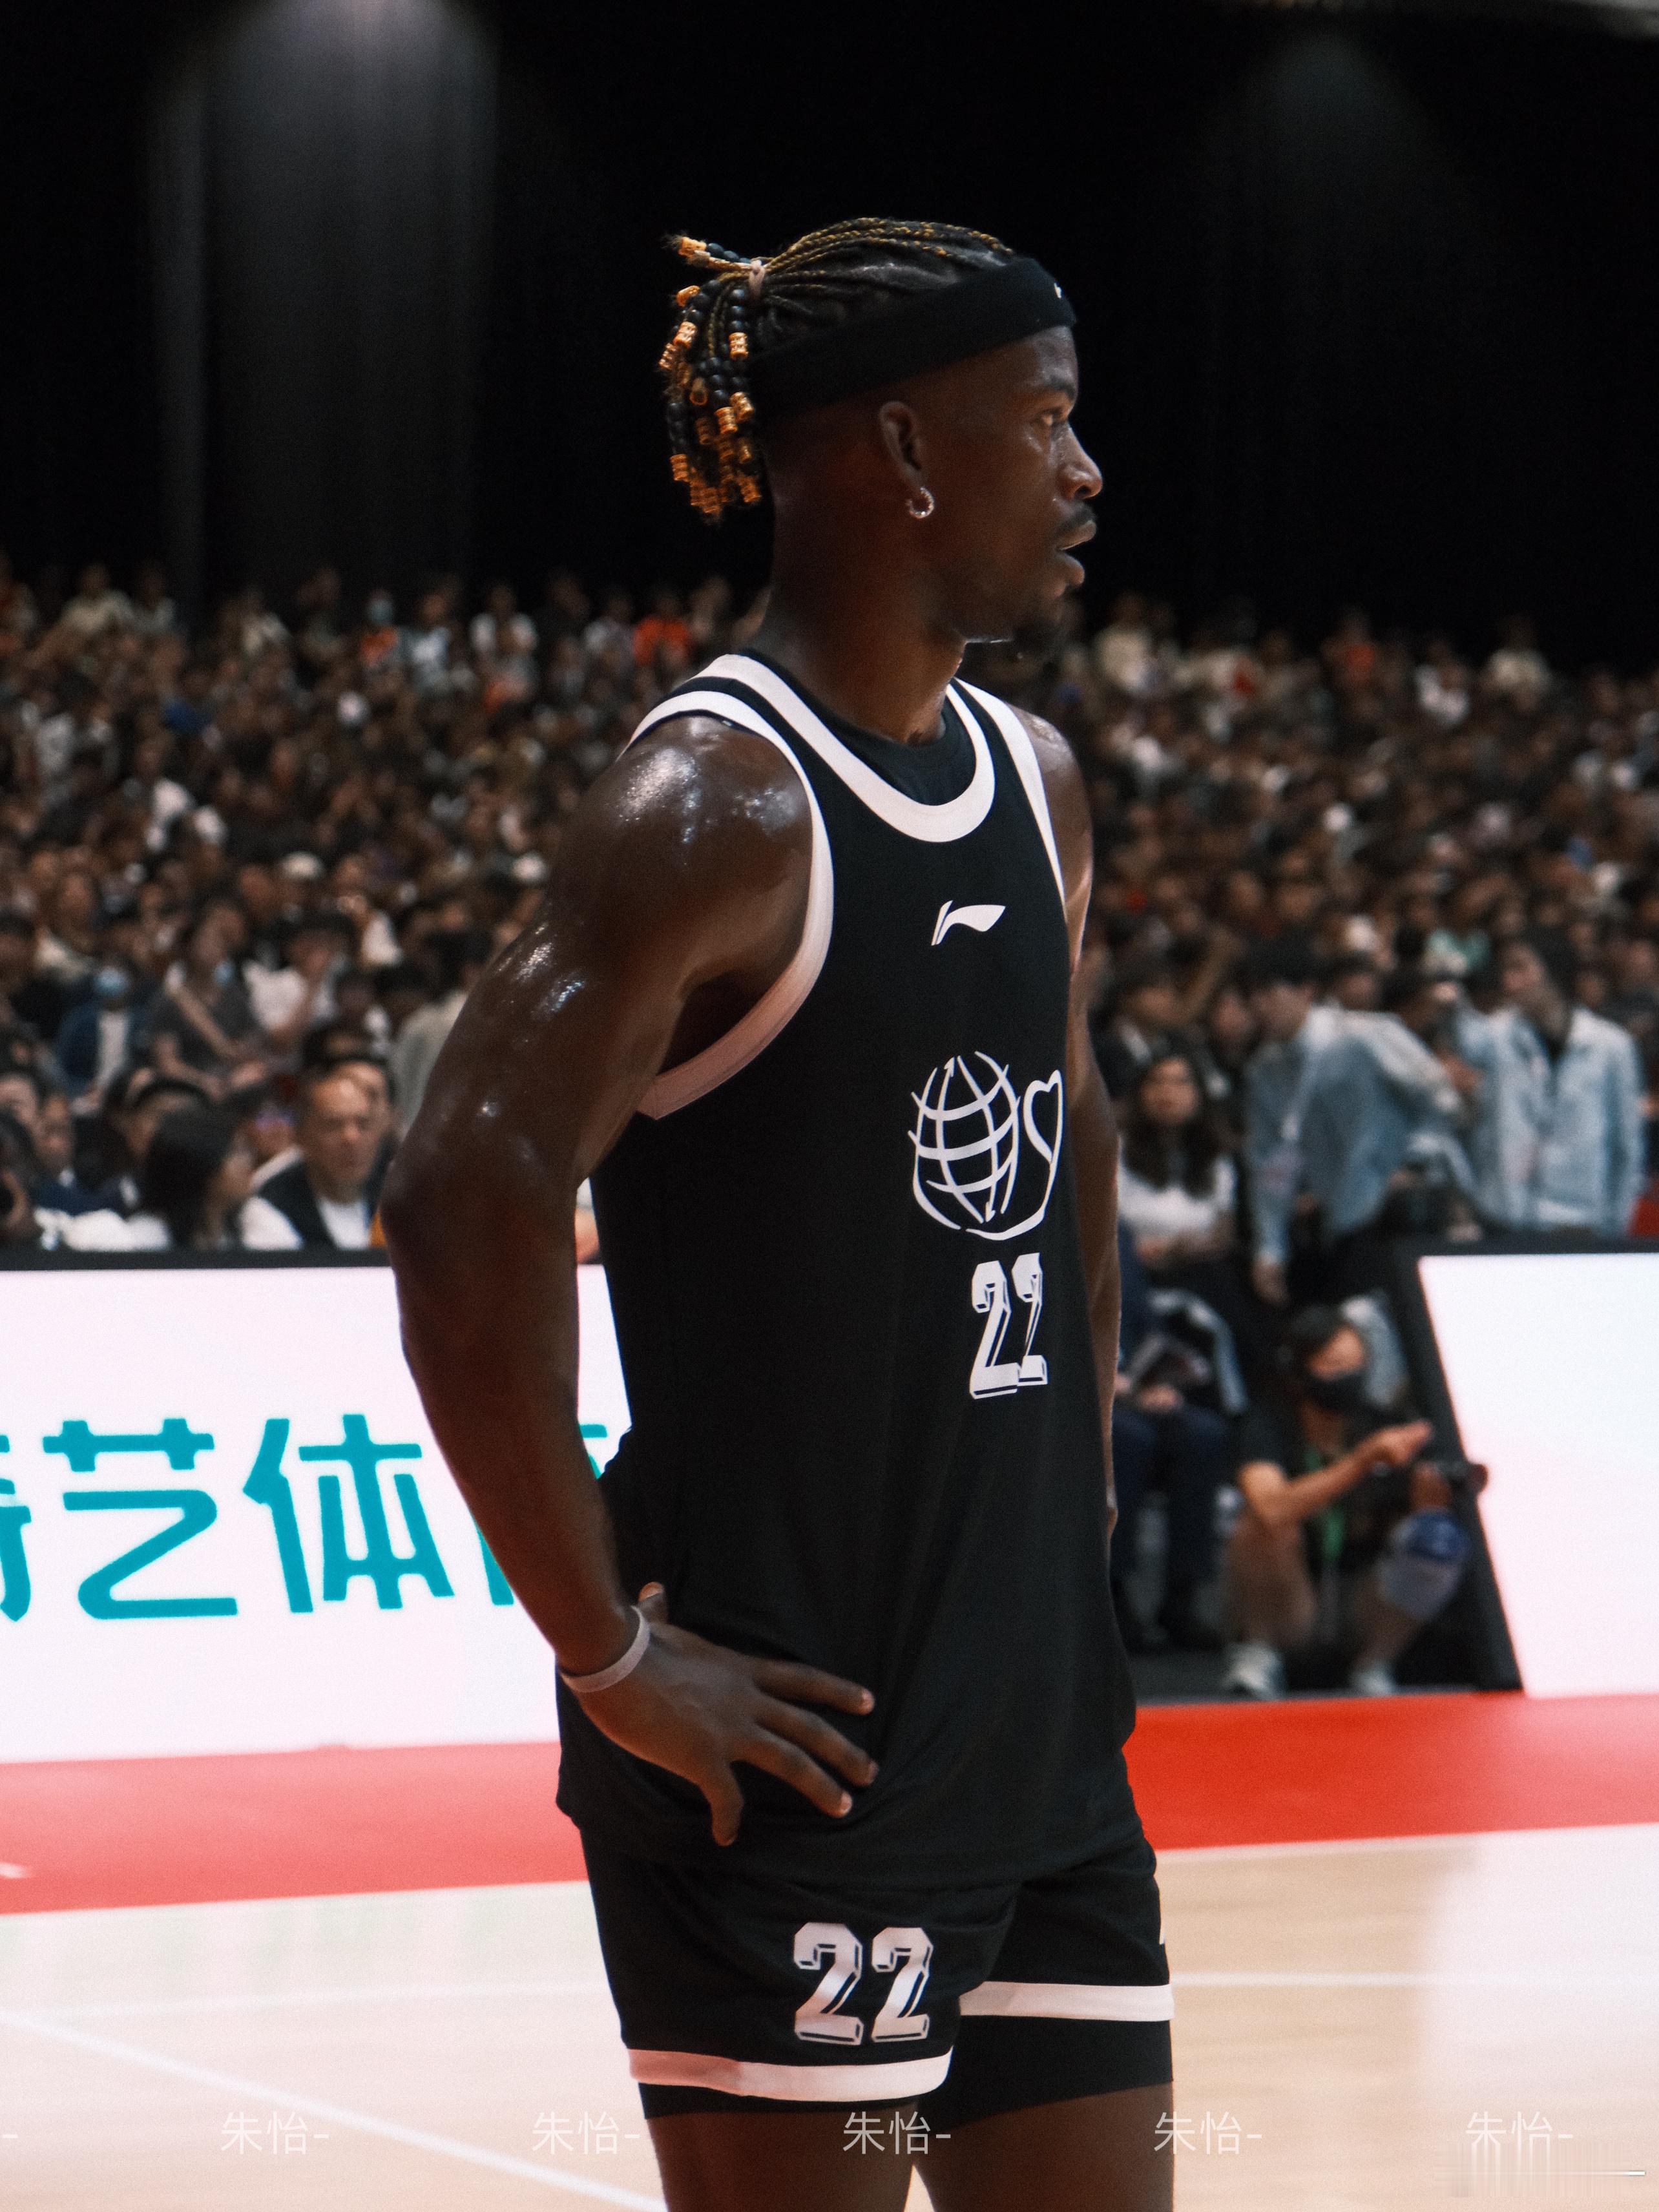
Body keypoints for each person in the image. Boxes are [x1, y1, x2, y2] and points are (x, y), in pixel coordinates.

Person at [383, 219, 1171, 2211]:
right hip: (795, 1743)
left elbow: (1067, 1130)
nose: (1087, 473)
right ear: (902, 451)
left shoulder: (1038, 782)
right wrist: (607, 1656)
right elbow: (462, 1199)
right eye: (1048, 422)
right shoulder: (716, 810)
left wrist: (1072, 1498)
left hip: (1033, 1730)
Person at [1220, 1306, 1477, 1699]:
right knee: (1260, 1526)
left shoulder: (1384, 1425)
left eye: (1358, 1366)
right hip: (1293, 1600)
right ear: (1299, 1372)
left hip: (1363, 1599)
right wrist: (1362, 1462)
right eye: (1335, 1366)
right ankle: (1260, 1652)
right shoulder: (1269, 1425)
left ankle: (1374, 1664)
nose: (1349, 1378)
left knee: (1436, 1538)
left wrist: (1429, 1502)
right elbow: (1270, 1507)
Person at [1244, 942, 1469, 1306]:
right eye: (1252, 996)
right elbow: (1270, 1164)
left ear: (1305, 991)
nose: (1259, 1006)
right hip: (1341, 1218)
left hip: (1401, 1207)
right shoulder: (1265, 1071)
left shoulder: (1363, 1035)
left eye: (1269, 992)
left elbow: (1440, 1098)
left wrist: (1415, 1162)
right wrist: (1270, 1248)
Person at [1458, 930, 1644, 1237]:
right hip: (1506, 1216)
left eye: (1520, 968)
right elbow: (1463, 1040)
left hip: (1580, 1219)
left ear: (1553, 969)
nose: (1510, 982)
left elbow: (1626, 1144)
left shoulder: (1611, 1046)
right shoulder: (1496, 1037)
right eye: (1506, 970)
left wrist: (1615, 1224)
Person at [1112, 1229, 1229, 1653]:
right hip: (1073, 1391)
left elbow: (1147, 1324)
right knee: (1128, 1439)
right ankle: (1114, 1596)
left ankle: (1183, 1597)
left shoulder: (1118, 1235)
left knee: (1203, 1435)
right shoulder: (1046, 1232)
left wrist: (1159, 1376)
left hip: (1133, 1389)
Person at [55, 1103, 300, 1251]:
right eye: (235, 1153)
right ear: (203, 1167)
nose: (247, 1163)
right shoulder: (136, 1243)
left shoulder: (257, 1223)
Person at [259, 1067, 387, 1248]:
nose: (351, 1139)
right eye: (333, 1126)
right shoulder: (271, 1208)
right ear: (302, 1136)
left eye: (363, 1124)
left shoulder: (396, 1198)